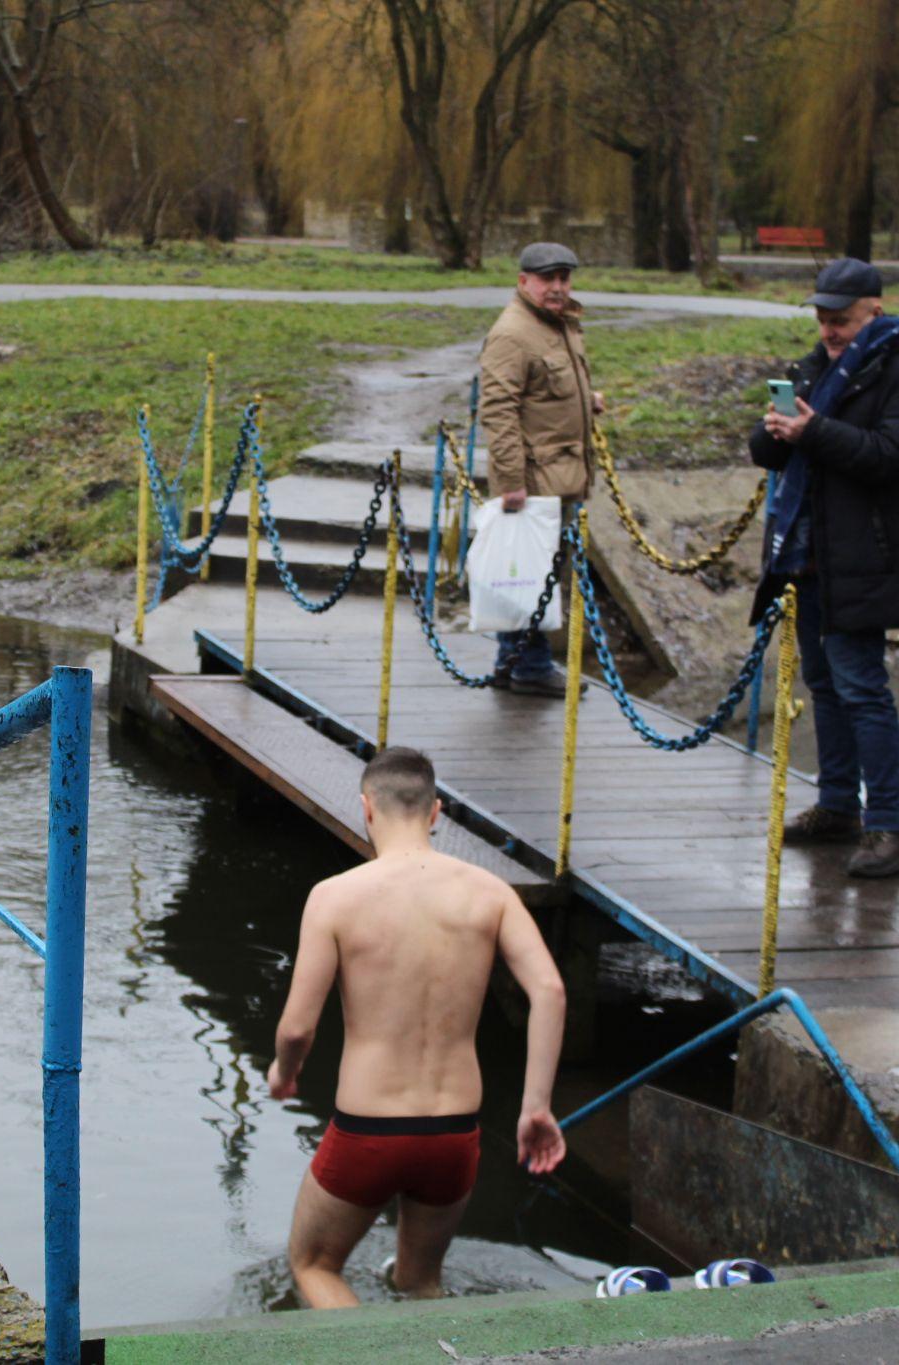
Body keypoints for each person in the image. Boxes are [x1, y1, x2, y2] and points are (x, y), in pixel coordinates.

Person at [267, 746, 567, 1308]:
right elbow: (549, 990)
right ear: (436, 812)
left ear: (366, 809)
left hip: (368, 1131)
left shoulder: (333, 897)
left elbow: (297, 1030)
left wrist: (284, 1072)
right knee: (419, 1284)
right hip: (454, 1134)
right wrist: (536, 1108)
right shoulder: (491, 893)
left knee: (314, 1266)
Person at [747, 257, 899, 879]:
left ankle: (888, 829)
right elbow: (770, 454)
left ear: (875, 308)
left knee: (863, 689)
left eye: (841, 319)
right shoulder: (821, 366)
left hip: (868, 557)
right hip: (811, 556)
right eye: (822, 319)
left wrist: (812, 431)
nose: (829, 330)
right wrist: (774, 430)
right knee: (824, 684)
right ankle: (839, 806)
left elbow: (896, 455)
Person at [477, 242, 604, 697]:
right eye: (547, 278)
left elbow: (543, 391)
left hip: (559, 476)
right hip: (533, 484)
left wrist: (585, 403)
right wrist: (511, 483)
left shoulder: (558, 325)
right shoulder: (514, 333)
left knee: (529, 573)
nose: (557, 287)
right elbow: (498, 410)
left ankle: (510, 663)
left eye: (563, 278)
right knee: (535, 576)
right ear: (523, 281)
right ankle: (530, 667)